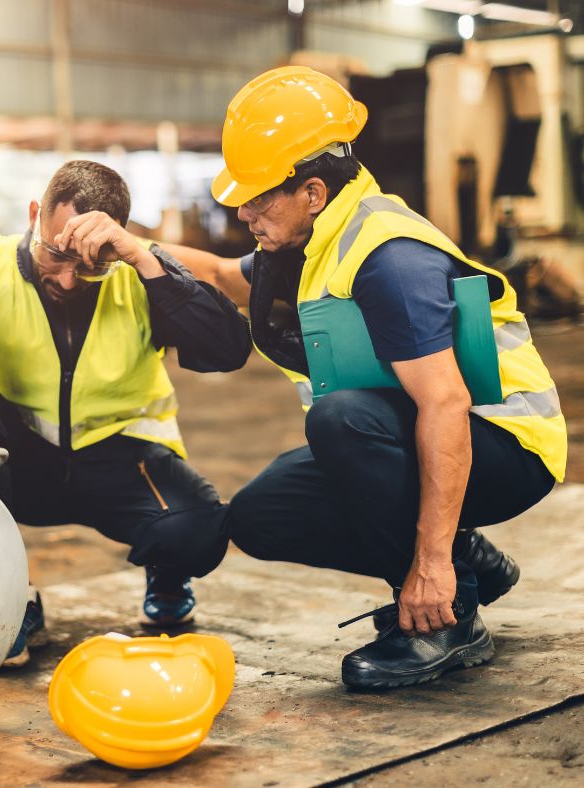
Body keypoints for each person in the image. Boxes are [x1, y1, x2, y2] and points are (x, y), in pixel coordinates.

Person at [205, 66, 566, 689]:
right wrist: (124, 248)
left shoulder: (387, 258)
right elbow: (216, 274)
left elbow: (447, 403)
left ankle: (444, 617)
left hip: (506, 445)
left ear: (312, 192)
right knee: (261, 516)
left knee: (342, 420)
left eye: (259, 196)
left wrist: (428, 563)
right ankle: (470, 560)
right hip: (434, 438)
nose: (244, 211)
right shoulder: (316, 238)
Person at [0, 160, 252, 665]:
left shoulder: (138, 273)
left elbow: (227, 351)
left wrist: (143, 262)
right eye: (56, 251)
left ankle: (167, 575)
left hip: (123, 463)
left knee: (196, 534)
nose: (67, 276)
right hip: (20, 463)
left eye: (88, 262)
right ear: (35, 214)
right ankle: (9, 596)